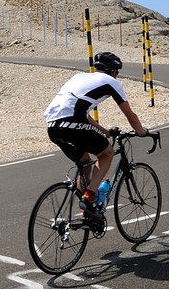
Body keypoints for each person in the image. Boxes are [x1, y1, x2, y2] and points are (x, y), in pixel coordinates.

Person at [43, 51, 148, 219]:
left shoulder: (78, 78)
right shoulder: (111, 82)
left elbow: (81, 113)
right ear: (113, 71)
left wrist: (105, 132)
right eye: (117, 72)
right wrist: (141, 132)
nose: (117, 75)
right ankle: (89, 195)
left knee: (86, 163)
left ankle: (86, 210)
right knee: (107, 154)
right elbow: (130, 115)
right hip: (73, 124)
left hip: (53, 127)